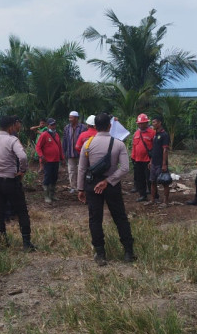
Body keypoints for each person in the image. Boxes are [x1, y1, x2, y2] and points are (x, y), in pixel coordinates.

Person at [77, 113, 135, 265]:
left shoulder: (87, 144)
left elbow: (82, 169)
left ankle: (100, 253)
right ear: (110, 126)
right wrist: (108, 181)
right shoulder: (118, 144)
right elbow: (125, 168)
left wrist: (80, 189)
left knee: (95, 219)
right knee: (120, 218)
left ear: (95, 126)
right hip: (112, 186)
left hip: (92, 186)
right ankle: (128, 252)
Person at [0, 115, 37, 251]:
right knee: (21, 211)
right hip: (11, 180)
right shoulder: (12, 140)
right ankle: (26, 243)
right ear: (11, 127)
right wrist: (22, 170)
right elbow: (22, 156)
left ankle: (3, 242)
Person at [35, 118, 64, 204]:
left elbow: (59, 147)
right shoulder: (44, 135)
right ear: (48, 125)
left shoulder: (57, 135)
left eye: (54, 124)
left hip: (56, 160)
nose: (53, 126)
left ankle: (52, 194)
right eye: (51, 125)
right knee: (47, 177)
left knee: (54, 177)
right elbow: (38, 147)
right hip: (47, 160)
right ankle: (46, 196)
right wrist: (41, 156)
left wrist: (62, 158)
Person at [131, 113, 154, 202]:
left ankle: (154, 195)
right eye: (139, 123)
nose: (140, 125)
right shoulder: (136, 133)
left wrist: (152, 160)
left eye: (142, 123)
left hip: (148, 161)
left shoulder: (152, 133)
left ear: (146, 123)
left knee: (150, 179)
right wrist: (133, 157)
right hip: (137, 160)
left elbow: (155, 148)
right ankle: (142, 195)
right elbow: (134, 146)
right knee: (140, 179)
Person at [149, 116, 171, 205]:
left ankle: (165, 202)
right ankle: (152, 200)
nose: (152, 124)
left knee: (165, 182)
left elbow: (165, 150)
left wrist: (164, 164)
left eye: (154, 122)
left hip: (160, 163)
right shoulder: (155, 134)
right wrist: (151, 161)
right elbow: (154, 149)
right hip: (154, 163)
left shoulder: (164, 135)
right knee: (153, 182)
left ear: (159, 123)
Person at [63, 110, 85, 193]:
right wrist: (63, 152)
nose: (70, 119)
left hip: (81, 154)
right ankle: (73, 187)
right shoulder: (67, 128)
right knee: (71, 171)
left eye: (71, 118)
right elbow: (64, 141)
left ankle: (81, 187)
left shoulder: (83, 127)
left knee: (81, 170)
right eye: (69, 117)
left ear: (76, 118)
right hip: (70, 153)